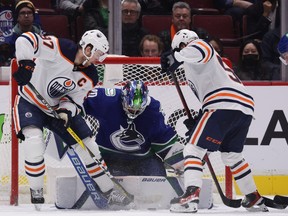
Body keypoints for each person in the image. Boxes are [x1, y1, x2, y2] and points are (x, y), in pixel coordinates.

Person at [12, 29, 133, 208]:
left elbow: (76, 99)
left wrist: (66, 111)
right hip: (31, 102)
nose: (99, 60)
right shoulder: (59, 47)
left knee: (88, 146)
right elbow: (26, 39)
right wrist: (26, 64)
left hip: (57, 110)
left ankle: (109, 190)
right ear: (88, 48)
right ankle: (36, 189)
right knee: (34, 141)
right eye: (98, 54)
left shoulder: (91, 75)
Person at [160, 29, 267, 213]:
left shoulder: (199, 45)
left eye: (179, 49)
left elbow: (201, 50)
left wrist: (176, 55)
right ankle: (253, 196)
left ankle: (191, 195)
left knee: (193, 148)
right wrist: (201, 118)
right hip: (243, 107)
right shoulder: (199, 65)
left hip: (223, 103)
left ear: (183, 44)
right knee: (232, 156)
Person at [83, 80, 183, 176]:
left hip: (143, 159)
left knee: (158, 179)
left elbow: (162, 139)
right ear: (123, 98)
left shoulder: (153, 110)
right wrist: (70, 109)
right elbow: (79, 98)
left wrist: (182, 166)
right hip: (109, 156)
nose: (133, 112)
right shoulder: (106, 100)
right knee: (105, 186)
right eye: (130, 108)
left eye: (138, 109)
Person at [0, 0, 44, 66]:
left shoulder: (43, 37)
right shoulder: (7, 38)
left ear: (33, 17)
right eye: (22, 13)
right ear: (17, 17)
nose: (26, 16)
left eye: (29, 13)